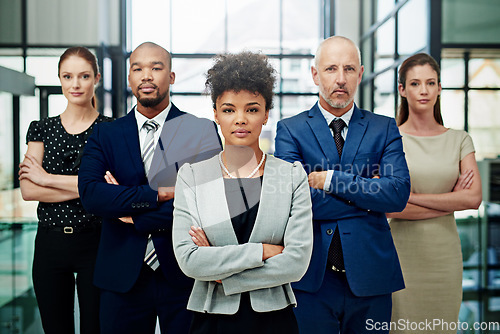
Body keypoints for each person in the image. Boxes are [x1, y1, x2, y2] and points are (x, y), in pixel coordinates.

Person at [78, 42, 221, 334]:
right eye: (138, 68)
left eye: (156, 68)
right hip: (120, 277)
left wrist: (132, 213)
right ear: (129, 78)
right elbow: (92, 195)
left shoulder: (201, 130)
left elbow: (206, 202)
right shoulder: (106, 134)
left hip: (185, 272)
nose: (147, 75)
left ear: (171, 76)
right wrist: (160, 194)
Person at [274, 35, 411, 334]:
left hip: (371, 277)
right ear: (315, 74)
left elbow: (397, 194)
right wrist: (368, 197)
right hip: (310, 278)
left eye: (349, 69)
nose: (340, 79)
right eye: (331, 69)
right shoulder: (290, 130)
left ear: (360, 74)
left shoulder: (383, 127)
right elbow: (291, 200)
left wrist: (332, 180)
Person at [172, 51, 313, 334]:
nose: (240, 119)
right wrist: (262, 251)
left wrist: (224, 273)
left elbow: (296, 263)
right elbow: (189, 260)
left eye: (251, 109)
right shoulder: (192, 177)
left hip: (274, 320)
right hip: (212, 319)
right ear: (215, 114)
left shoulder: (291, 176)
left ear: (266, 115)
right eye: (228, 109)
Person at [387, 53, 482, 334]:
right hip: (401, 256)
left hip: (445, 259)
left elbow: (473, 198)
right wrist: (450, 201)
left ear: (440, 87)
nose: (424, 90)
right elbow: (390, 208)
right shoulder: (389, 138)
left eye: (430, 83)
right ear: (402, 89)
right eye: (415, 83)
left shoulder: (460, 139)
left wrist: (410, 197)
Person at [19, 46, 112, 334]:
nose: (75, 84)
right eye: (68, 76)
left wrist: (45, 178)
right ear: (60, 79)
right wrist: (89, 187)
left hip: (96, 243)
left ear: (96, 78)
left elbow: (111, 191)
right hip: (50, 244)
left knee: (94, 328)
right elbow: (27, 190)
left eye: (84, 76)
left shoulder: (111, 130)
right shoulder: (41, 129)